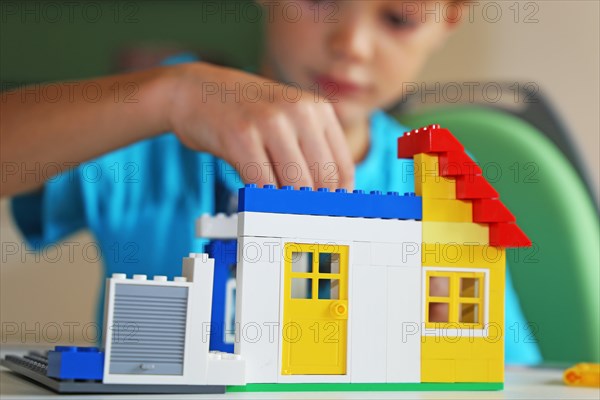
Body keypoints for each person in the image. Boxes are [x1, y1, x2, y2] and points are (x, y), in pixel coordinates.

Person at [1, 1, 540, 363]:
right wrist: (168, 96)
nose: (351, 43)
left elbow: (506, 370)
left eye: (398, 18)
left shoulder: (437, 184)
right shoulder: (154, 141)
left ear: (448, 20)